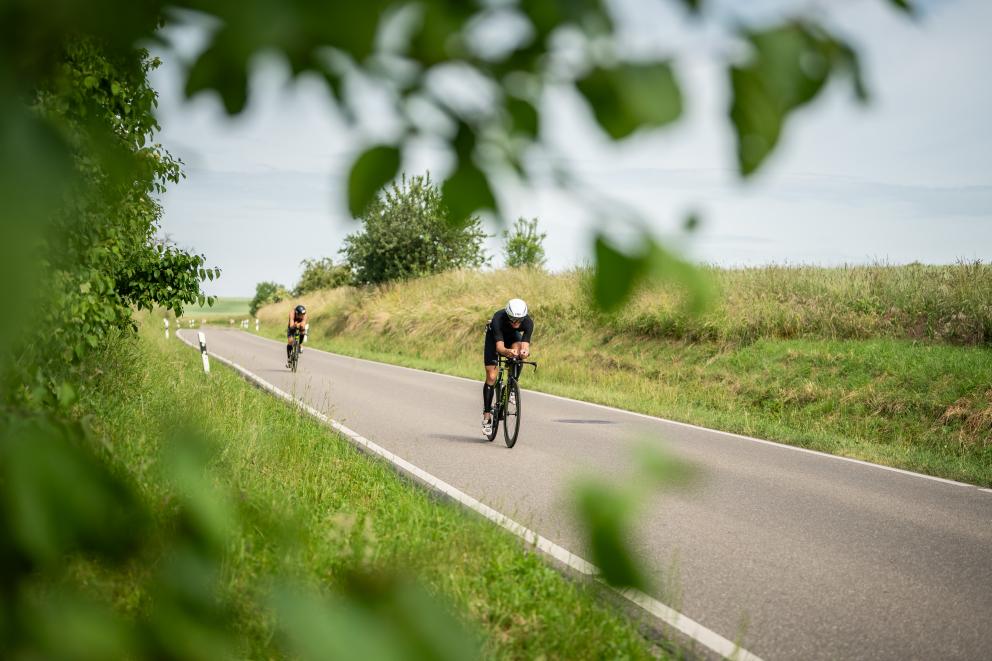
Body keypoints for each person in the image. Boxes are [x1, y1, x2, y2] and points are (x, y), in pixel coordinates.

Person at [482, 298, 533, 437]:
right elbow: (500, 348)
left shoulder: (528, 322)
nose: (516, 323)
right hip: (495, 338)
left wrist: (524, 353)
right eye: (512, 319)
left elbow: (526, 345)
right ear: (507, 314)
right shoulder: (498, 318)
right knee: (492, 376)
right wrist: (507, 352)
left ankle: (511, 385)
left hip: (511, 337)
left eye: (519, 320)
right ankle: (487, 416)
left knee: (518, 353)